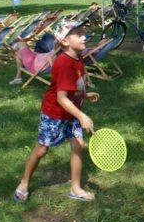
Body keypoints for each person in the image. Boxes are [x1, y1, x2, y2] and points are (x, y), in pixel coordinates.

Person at [13, 20, 100, 203]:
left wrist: (84, 94)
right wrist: (82, 115)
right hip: (54, 113)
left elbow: (74, 84)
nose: (83, 36)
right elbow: (61, 98)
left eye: (83, 32)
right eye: (78, 34)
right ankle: (23, 183)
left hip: (71, 111)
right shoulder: (63, 63)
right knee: (42, 149)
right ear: (65, 42)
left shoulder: (78, 57)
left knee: (78, 146)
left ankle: (75, 188)